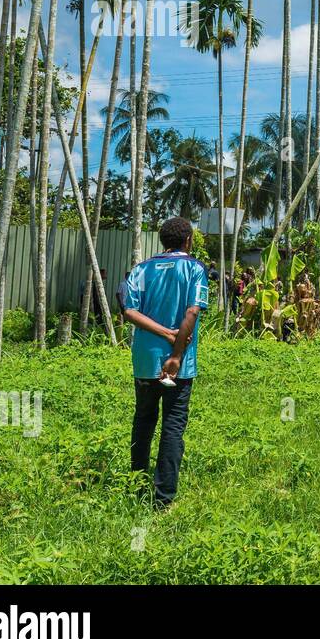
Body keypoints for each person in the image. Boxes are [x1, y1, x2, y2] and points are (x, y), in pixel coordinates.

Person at [120, 217, 209, 509]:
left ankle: (137, 484)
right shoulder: (195, 268)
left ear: (163, 241)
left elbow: (129, 311)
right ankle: (163, 499)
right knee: (173, 425)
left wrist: (160, 333)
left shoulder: (141, 269)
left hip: (145, 360)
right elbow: (192, 312)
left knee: (143, 420)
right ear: (188, 241)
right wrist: (176, 354)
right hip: (180, 364)